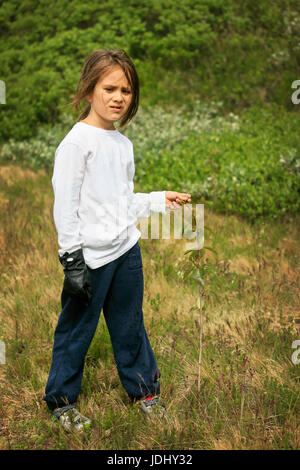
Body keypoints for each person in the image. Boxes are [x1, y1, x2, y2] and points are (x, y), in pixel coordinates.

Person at [43, 49, 191, 431]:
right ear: (89, 89)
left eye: (126, 90)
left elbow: (122, 202)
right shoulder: (76, 144)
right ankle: (61, 402)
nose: (118, 97)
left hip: (127, 252)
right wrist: (72, 261)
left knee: (130, 325)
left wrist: (159, 199)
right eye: (109, 87)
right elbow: (66, 207)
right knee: (77, 330)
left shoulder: (122, 145)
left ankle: (145, 392)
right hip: (89, 259)